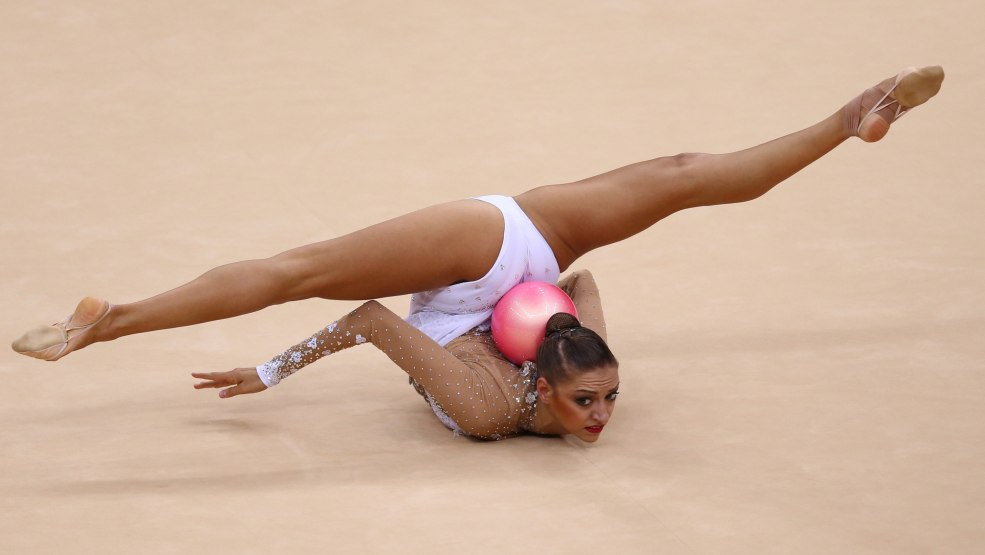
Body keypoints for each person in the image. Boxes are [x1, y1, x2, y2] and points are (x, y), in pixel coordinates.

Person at [11, 66, 945, 441]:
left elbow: (381, 319)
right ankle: (851, 115)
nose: (604, 413)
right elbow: (574, 282)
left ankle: (108, 323)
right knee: (679, 174)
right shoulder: (500, 410)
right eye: (598, 396)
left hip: (486, 285)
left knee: (299, 270)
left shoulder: (509, 407)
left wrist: (271, 367)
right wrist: (548, 321)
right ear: (555, 379)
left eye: (600, 398)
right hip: (503, 258)